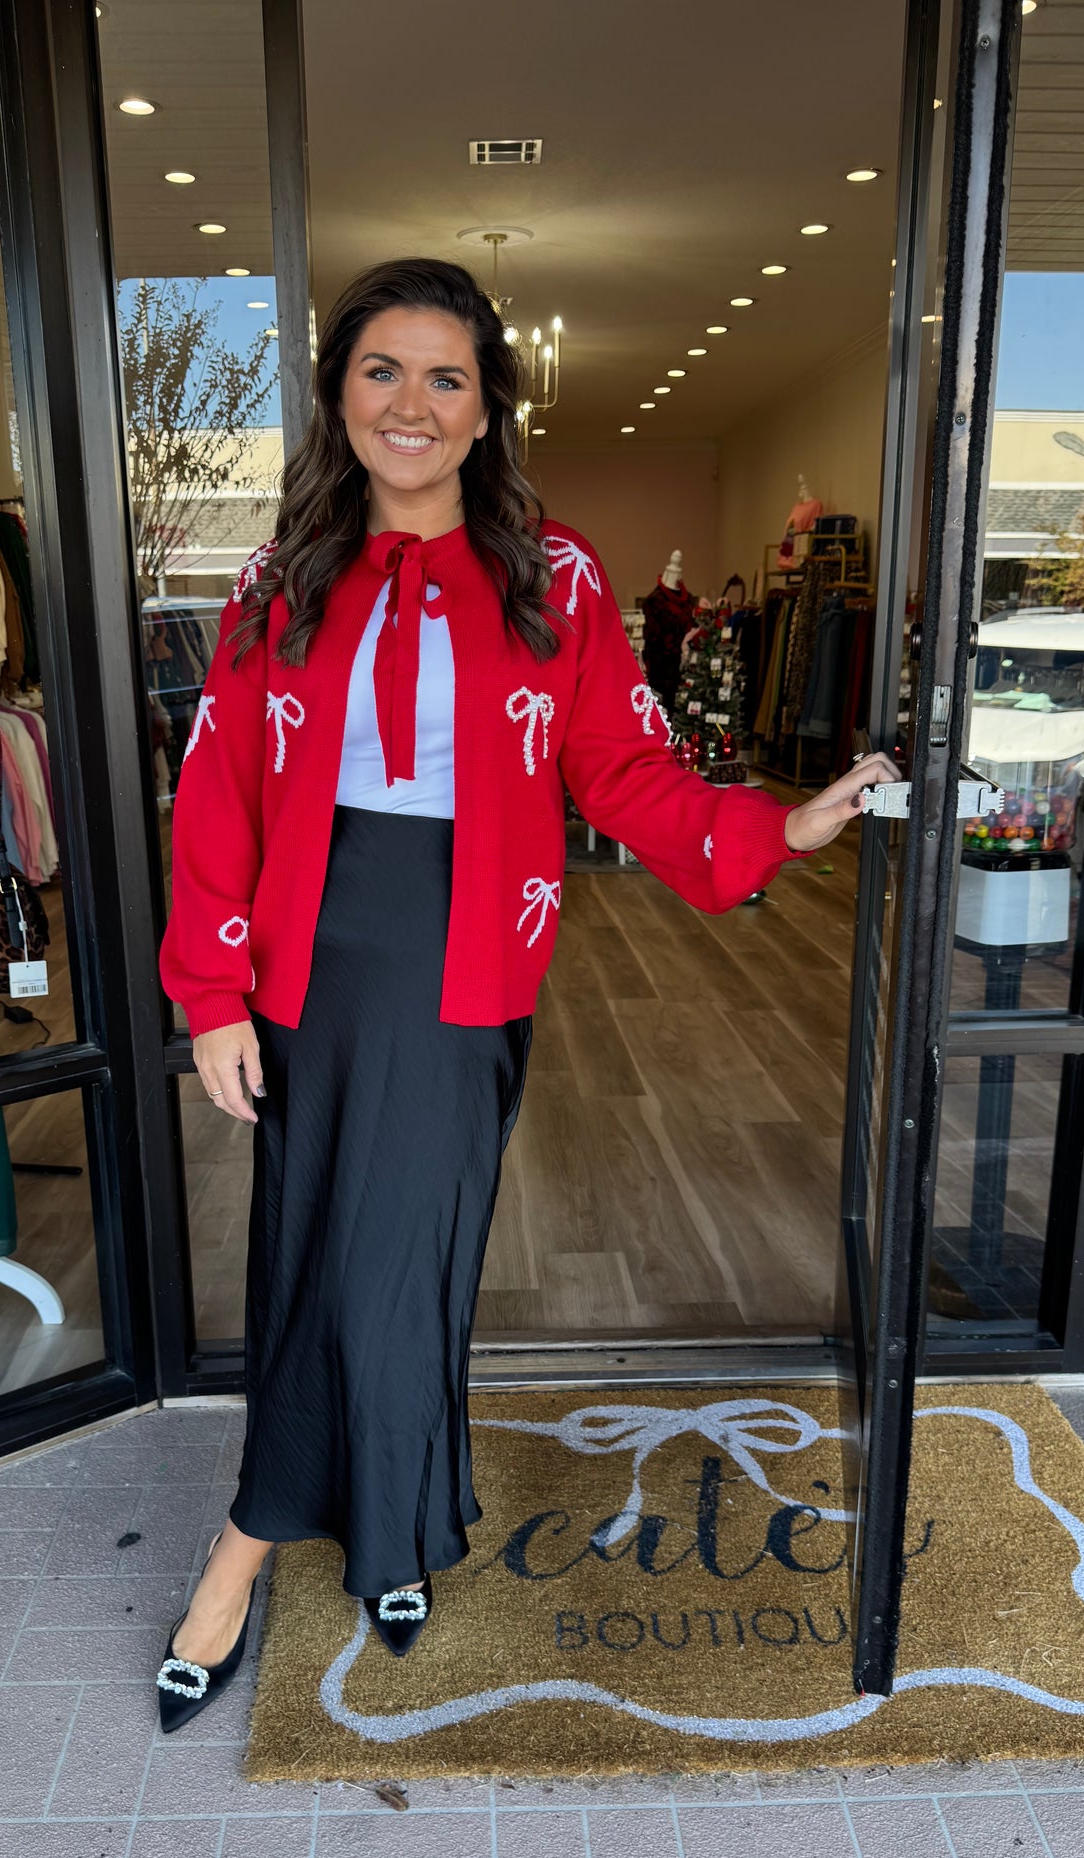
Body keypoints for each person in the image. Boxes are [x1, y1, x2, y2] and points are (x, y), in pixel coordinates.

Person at [152, 256, 899, 1731]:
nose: (412, 404)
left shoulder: (553, 577)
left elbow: (618, 765)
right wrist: (212, 992)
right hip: (308, 954)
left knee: (406, 1255)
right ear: (339, 395)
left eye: (447, 377)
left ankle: (290, 1539)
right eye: (382, 371)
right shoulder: (276, 579)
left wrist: (773, 826)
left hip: (468, 954)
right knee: (313, 1249)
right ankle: (356, 1531)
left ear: (488, 407)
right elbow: (219, 790)